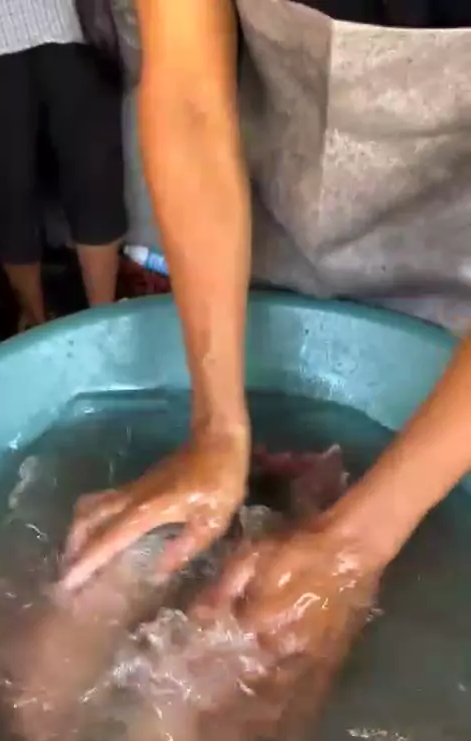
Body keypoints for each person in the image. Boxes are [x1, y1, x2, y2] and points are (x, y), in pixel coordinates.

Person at [61, 1, 471, 671]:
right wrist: (216, 429)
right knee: (111, 572)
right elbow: (188, 94)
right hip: (263, 244)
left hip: (456, 302)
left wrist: (357, 543)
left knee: (255, 662)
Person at [0, 0, 127, 329]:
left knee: (93, 170)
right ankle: (41, 319)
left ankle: (98, 318)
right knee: (9, 183)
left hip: (74, 19)